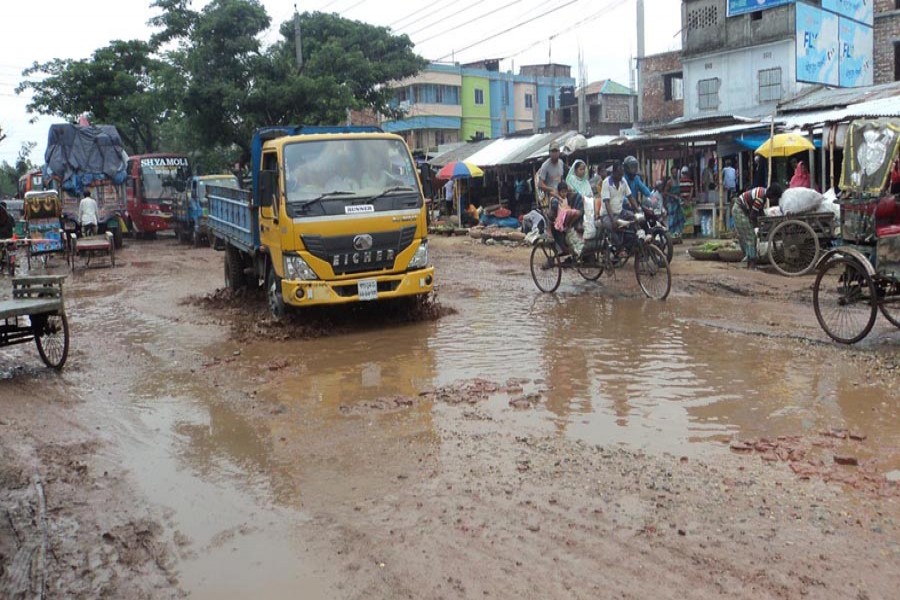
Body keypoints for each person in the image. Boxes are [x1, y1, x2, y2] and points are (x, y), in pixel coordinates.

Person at [732, 183, 784, 269]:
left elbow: (759, 212)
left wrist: (765, 221)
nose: (774, 200)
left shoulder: (763, 192)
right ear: (771, 194)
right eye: (775, 197)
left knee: (749, 236)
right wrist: (760, 226)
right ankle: (751, 263)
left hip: (744, 210)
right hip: (739, 210)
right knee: (750, 237)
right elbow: (753, 215)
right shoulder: (760, 198)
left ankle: (750, 260)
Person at [599, 161, 633, 256]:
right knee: (611, 226)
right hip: (607, 214)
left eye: (622, 174)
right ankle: (620, 248)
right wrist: (613, 219)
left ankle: (630, 245)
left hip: (620, 211)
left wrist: (638, 210)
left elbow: (630, 196)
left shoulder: (623, 181)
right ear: (614, 172)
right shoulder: (606, 182)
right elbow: (606, 202)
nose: (621, 176)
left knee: (634, 219)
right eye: (619, 174)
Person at [536, 140, 566, 205]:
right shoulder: (545, 166)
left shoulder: (561, 163)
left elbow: (562, 179)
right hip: (551, 194)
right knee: (556, 203)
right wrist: (551, 189)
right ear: (549, 152)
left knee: (577, 197)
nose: (554, 153)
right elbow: (540, 184)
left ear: (559, 152)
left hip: (561, 191)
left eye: (556, 151)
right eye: (552, 151)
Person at [664, 166, 685, 237]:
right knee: (672, 218)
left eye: (676, 172)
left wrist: (681, 198)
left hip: (677, 202)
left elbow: (679, 192)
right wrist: (673, 196)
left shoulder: (679, 181)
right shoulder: (669, 182)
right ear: (671, 173)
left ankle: (678, 234)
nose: (675, 174)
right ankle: (671, 234)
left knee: (679, 217)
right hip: (671, 202)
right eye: (673, 173)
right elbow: (665, 192)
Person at [722, 159, 737, 230]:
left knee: (727, 198)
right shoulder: (734, 170)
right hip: (733, 186)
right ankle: (730, 200)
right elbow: (735, 177)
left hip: (727, 187)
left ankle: (728, 201)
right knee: (731, 199)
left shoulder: (724, 169)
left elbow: (721, 176)